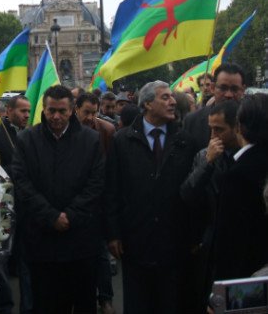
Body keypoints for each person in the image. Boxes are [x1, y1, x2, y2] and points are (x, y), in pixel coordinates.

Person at [105, 80, 197, 313]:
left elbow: (193, 191)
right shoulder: (122, 140)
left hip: (174, 241)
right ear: (147, 104)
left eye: (172, 97)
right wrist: (113, 234)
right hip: (136, 240)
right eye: (165, 97)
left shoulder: (186, 141)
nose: (173, 101)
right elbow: (112, 189)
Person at [12, 85, 105, 314]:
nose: (56, 116)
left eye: (62, 111)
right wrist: (51, 216)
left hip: (81, 242)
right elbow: (22, 184)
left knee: (84, 304)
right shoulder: (26, 140)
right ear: (43, 109)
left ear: (72, 110)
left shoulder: (91, 140)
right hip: (42, 245)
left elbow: (96, 184)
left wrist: (70, 216)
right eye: (51, 110)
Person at [180, 100, 241, 312]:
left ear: (237, 128)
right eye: (211, 129)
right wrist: (207, 163)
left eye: (220, 129)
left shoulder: (247, 157)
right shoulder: (203, 155)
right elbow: (188, 193)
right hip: (211, 244)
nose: (213, 135)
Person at [0, 95, 31, 314]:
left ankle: (28, 306)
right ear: (8, 111)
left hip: (29, 206)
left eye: (29, 111)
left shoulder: (32, 135)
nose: (26, 116)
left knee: (27, 259)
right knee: (1, 257)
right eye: (22, 111)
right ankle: (5, 306)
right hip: (2, 207)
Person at [212, 94, 268, 283]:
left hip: (249, 281)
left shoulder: (238, 175)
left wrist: (223, 294)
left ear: (239, 126)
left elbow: (230, 243)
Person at [74, 91, 116, 314]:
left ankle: (106, 298)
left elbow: (111, 170)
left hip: (99, 203)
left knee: (101, 253)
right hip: (74, 203)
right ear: (76, 110)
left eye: (94, 112)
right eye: (86, 112)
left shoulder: (107, 131)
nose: (90, 117)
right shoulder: (67, 130)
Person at [184, 63, 246, 150]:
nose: (228, 95)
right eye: (223, 88)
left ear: (243, 90)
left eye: (234, 89)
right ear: (213, 88)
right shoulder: (192, 121)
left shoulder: (254, 121)